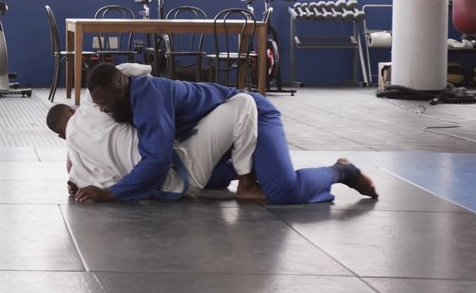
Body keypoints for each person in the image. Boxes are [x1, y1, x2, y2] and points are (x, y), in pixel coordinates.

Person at [82, 63, 378, 204]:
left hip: (253, 115)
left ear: (120, 90)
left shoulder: (147, 96)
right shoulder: (127, 92)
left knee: (283, 192)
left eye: (106, 104)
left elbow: (157, 160)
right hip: (220, 132)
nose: (104, 111)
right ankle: (256, 171)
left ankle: (343, 171)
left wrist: (111, 193)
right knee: (209, 180)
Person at [47, 92, 266, 202]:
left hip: (172, 185)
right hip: (183, 169)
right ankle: (246, 183)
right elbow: (132, 71)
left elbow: (84, 184)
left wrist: (80, 186)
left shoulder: (78, 167)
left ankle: (240, 172)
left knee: (208, 165)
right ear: (73, 110)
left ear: (60, 137)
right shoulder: (90, 106)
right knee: (244, 102)